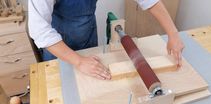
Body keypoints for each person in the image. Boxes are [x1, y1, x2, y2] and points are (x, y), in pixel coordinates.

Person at [28, 0, 184, 80]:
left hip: (87, 32)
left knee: (93, 83)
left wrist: (173, 33)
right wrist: (78, 61)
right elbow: (39, 30)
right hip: (56, 46)